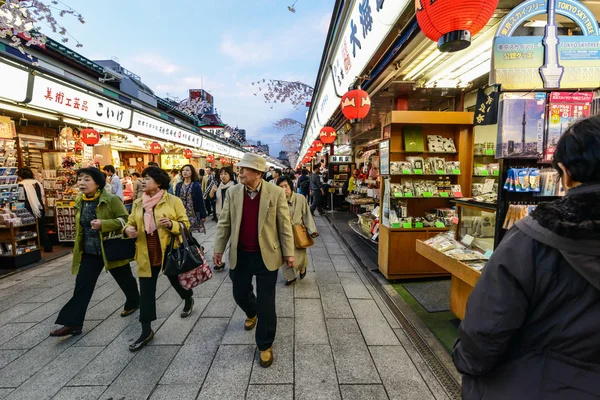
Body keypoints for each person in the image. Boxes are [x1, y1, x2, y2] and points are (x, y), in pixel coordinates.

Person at [453, 116, 600, 399]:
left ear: (565, 173)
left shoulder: (532, 239)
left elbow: (487, 326)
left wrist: (467, 361)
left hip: (529, 384)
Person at [213, 153, 294, 368]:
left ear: (258, 173)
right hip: (240, 254)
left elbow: (284, 225)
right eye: (239, 168)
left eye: (244, 169)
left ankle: (265, 344)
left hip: (266, 255)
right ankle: (251, 311)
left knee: (267, 302)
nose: (239, 172)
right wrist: (218, 249)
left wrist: (289, 253)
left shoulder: (275, 193)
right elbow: (224, 223)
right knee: (239, 292)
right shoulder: (232, 192)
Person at [49, 168, 139, 337]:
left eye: (87, 179)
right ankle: (73, 324)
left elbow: (126, 220)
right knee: (82, 286)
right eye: (80, 179)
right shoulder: (79, 200)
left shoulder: (111, 199)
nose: (82, 183)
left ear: (98, 183)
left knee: (125, 278)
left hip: (111, 248)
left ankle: (134, 301)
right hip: (90, 252)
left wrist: (104, 224)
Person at [124, 167, 193, 352]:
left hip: (168, 252)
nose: (143, 181)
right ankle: (146, 330)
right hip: (146, 253)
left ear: (159, 182)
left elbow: (185, 225)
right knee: (146, 292)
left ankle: (188, 298)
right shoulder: (138, 203)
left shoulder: (173, 201)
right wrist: (127, 230)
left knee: (177, 282)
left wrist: (172, 224)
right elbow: (130, 223)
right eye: (143, 178)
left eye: (147, 178)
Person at [277, 176, 318, 285]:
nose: (284, 189)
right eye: (280, 187)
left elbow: (307, 215)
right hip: (284, 233)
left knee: (299, 254)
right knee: (286, 254)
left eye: (286, 186)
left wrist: (312, 230)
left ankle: (302, 266)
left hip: (298, 231)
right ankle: (290, 277)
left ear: (290, 186)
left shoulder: (300, 198)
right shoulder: (277, 201)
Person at [17, 167, 52, 253]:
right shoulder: (37, 183)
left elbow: (21, 198)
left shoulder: (21, 184)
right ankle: (47, 247)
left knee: (26, 229)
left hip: (27, 208)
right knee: (41, 227)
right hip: (39, 208)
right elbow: (42, 196)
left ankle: (28, 247)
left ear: (21, 175)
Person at [209, 166, 236, 270]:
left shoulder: (235, 187)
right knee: (221, 238)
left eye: (225, 174)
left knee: (233, 240)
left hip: (233, 217)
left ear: (230, 175)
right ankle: (221, 261)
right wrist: (212, 191)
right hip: (220, 215)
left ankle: (234, 260)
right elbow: (210, 199)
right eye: (221, 174)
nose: (223, 176)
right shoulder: (218, 186)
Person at [175, 164, 207, 242]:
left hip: (191, 212)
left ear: (191, 172)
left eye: (187, 170)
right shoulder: (179, 185)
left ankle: (194, 248)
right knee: (184, 232)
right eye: (183, 170)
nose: (185, 172)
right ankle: (193, 248)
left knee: (187, 232)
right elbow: (176, 199)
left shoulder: (196, 185)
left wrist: (203, 214)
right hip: (181, 212)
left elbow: (200, 201)